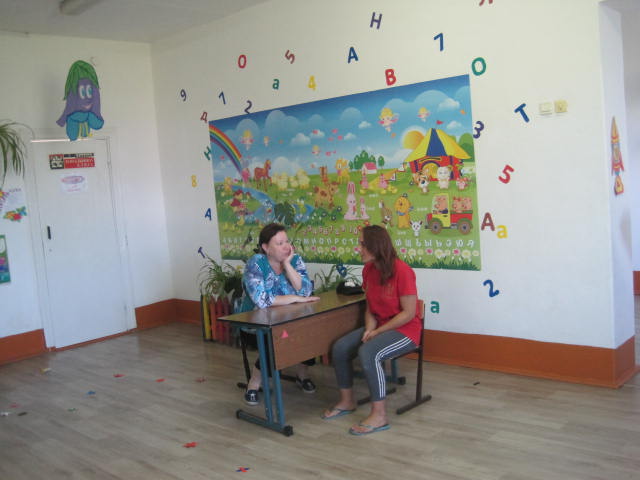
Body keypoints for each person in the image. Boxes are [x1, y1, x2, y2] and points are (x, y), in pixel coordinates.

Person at [322, 225, 421, 435]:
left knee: (368, 352)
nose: (358, 249)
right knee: (340, 348)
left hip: (406, 331)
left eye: (362, 244)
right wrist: (369, 329)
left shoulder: (403, 271)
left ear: (376, 246)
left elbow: (409, 313)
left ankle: (380, 415)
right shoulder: (368, 270)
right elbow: (370, 307)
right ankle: (347, 401)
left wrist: (377, 332)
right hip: (380, 326)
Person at [238, 223, 320, 406]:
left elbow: (306, 291)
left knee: (311, 331)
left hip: (288, 319)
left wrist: (287, 264)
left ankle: (302, 374)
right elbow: (261, 300)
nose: (286, 246)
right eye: (279, 243)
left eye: (287, 241)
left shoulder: (295, 260)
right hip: (256, 322)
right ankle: (254, 383)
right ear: (266, 247)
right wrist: (294, 298)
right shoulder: (256, 263)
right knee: (274, 339)